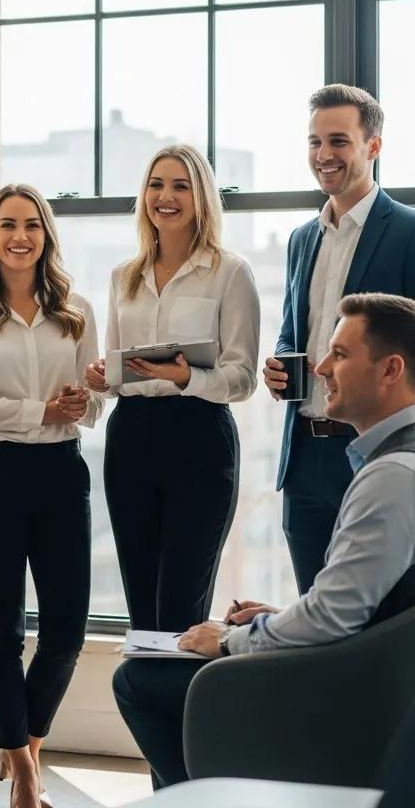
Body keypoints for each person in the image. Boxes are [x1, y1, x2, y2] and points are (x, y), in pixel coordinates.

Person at [114, 293, 415, 789]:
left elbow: (331, 617)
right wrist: (274, 618)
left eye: (341, 355)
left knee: (139, 680)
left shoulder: (397, 476)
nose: (320, 367)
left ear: (391, 370)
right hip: (385, 678)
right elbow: (363, 603)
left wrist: (232, 641)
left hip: (356, 697)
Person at [0, 183, 103, 808]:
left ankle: (25, 744)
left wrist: (81, 401)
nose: (20, 236)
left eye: (31, 225)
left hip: (63, 475)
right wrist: (43, 408)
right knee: (3, 630)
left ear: (46, 235)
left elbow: (94, 403)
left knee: (66, 631)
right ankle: (28, 775)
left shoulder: (77, 310)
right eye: (7, 225)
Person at [264, 84, 415, 595]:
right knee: (314, 615)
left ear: (373, 146)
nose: (323, 155)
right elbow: (294, 331)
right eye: (314, 143)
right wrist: (283, 365)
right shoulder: (302, 238)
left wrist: (411, 456)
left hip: (375, 455)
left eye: (338, 141)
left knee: (378, 620)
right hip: (304, 460)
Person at [85, 144, 260, 633]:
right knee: (141, 609)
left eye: (181, 186)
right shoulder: (125, 277)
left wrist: (188, 378)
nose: (166, 196)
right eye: (156, 185)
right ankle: (147, 712)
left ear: (201, 196)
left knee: (181, 607)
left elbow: (243, 377)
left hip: (200, 438)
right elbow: (117, 374)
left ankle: (183, 710)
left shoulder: (231, 272)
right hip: (132, 439)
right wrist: (102, 378)